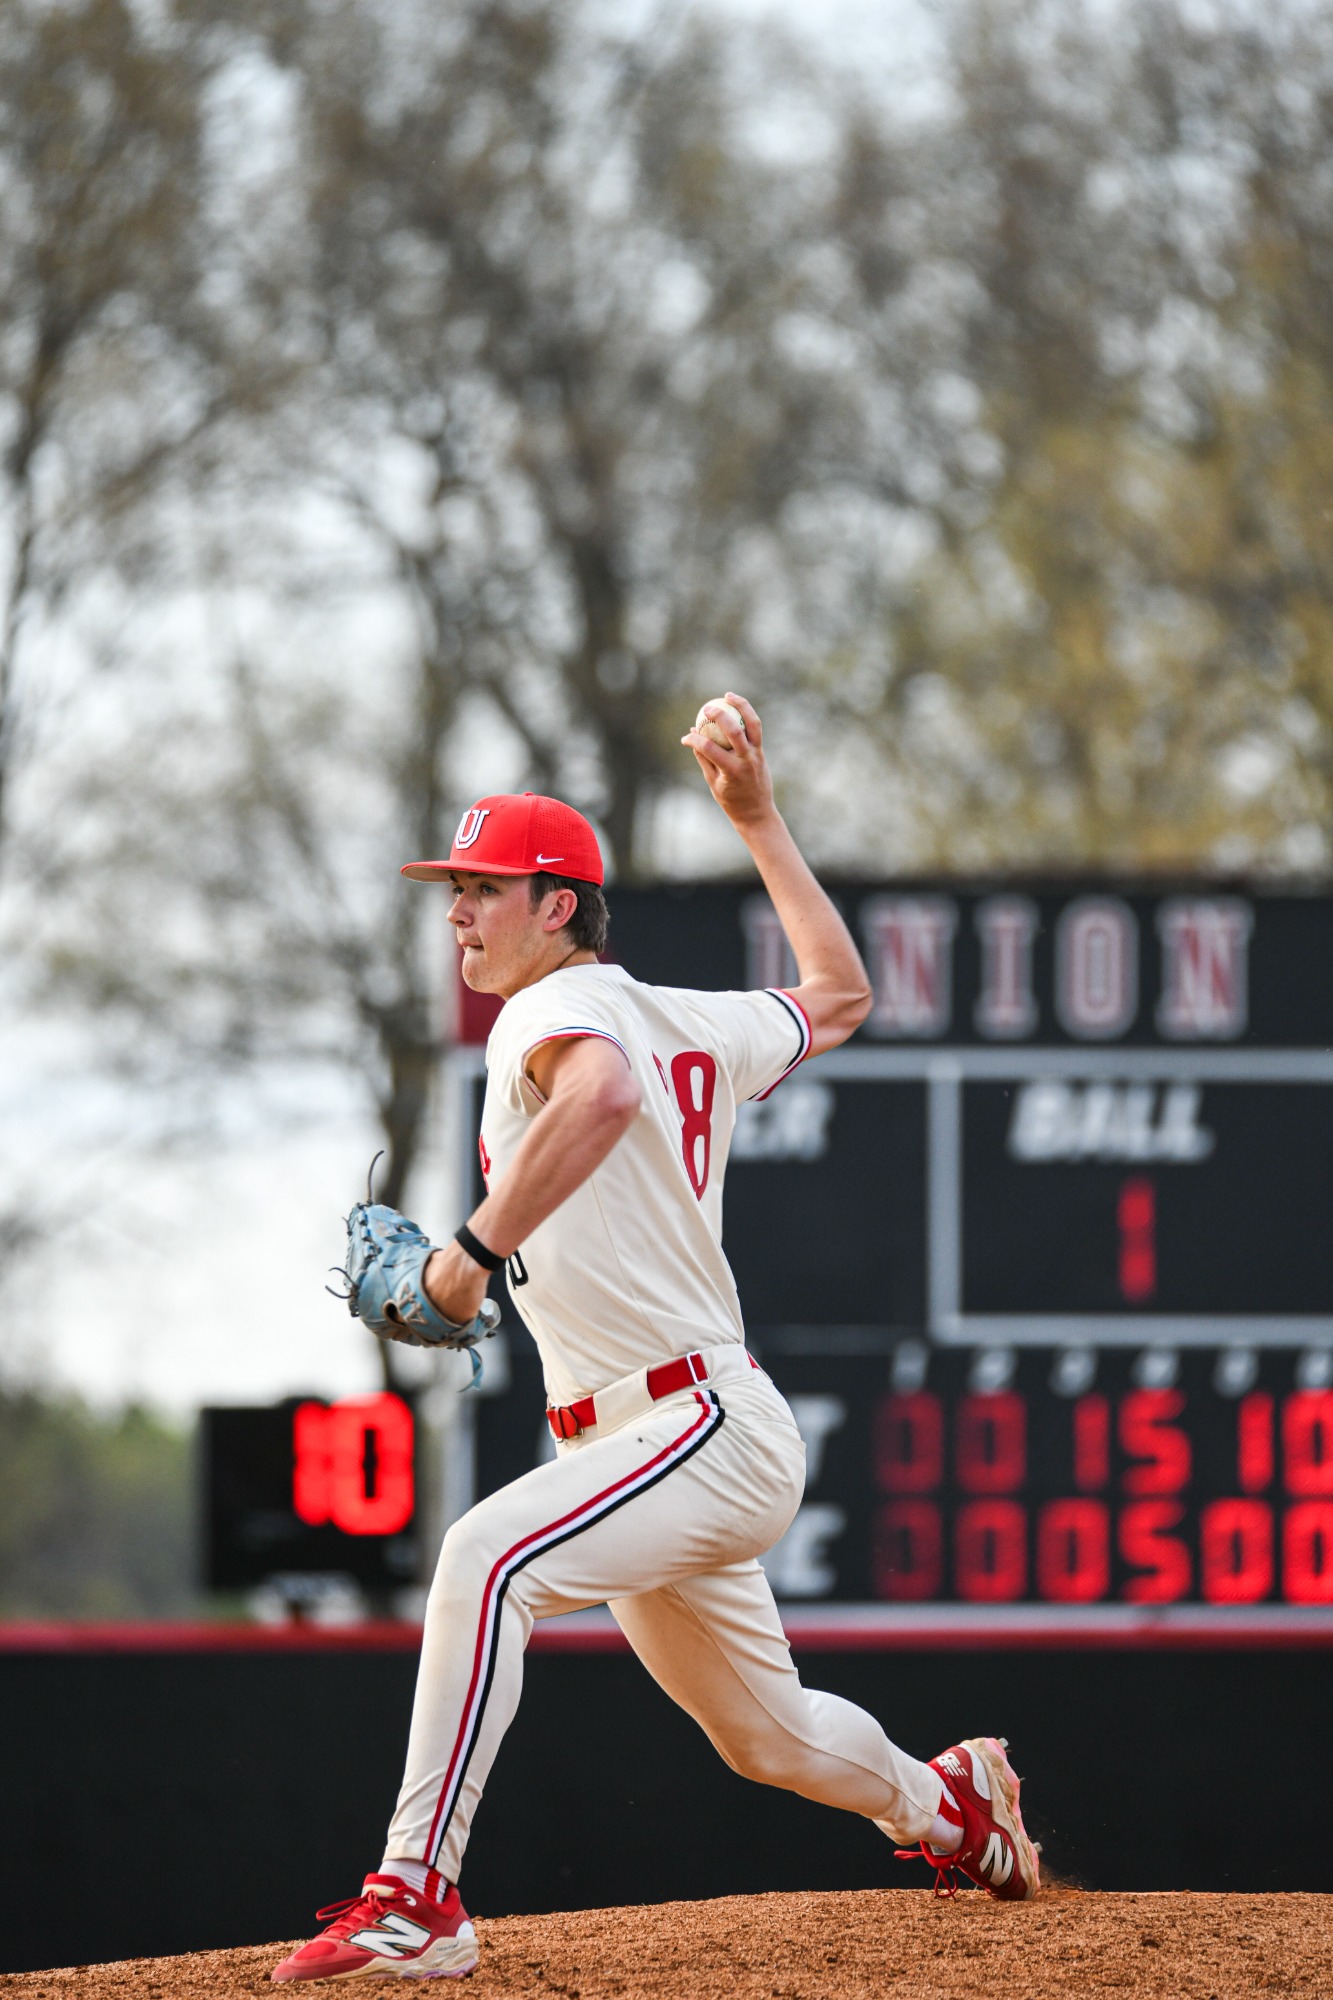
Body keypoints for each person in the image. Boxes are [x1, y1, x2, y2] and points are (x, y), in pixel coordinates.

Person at [271, 693, 1039, 1985]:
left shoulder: (542, 1014)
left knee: (484, 1555)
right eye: (451, 889)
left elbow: (603, 1090)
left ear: (555, 906)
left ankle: (416, 1894)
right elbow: (840, 996)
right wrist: (757, 820)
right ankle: (955, 1809)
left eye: (481, 888)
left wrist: (462, 1261)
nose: (457, 912)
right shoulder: (690, 1016)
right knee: (768, 1737)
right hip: (673, 1436)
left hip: (689, 1423)